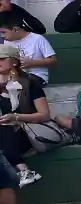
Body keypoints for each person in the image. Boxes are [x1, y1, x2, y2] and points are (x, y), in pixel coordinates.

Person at [0, 44, 50, 187]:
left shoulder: (29, 82)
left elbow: (44, 115)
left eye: (2, 58)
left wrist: (15, 117)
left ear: (14, 62)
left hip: (28, 130)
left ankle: (24, 171)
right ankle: (24, 171)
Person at [0, 18, 55, 85]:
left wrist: (32, 63)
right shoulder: (6, 42)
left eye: (4, 32)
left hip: (36, 75)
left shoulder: (37, 39)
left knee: (21, 83)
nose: (2, 36)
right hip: (13, 76)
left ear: (15, 29)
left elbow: (53, 60)